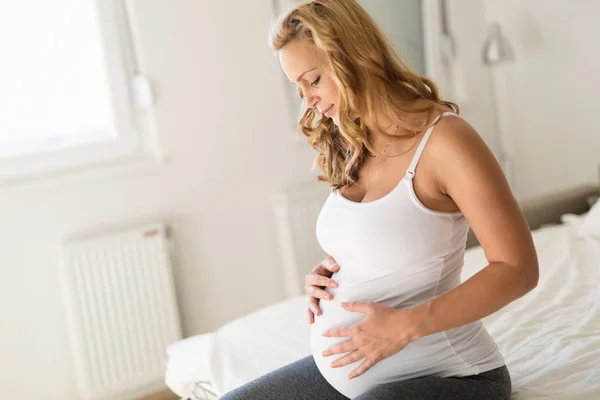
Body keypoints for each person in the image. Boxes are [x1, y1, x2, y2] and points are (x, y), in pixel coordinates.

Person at [221, 0, 538, 399]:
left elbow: (518, 268)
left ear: (351, 57)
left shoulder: (446, 141)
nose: (309, 102)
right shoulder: (352, 140)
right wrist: (332, 276)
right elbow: (385, 238)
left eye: (314, 79)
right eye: (298, 87)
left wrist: (405, 326)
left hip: (452, 376)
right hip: (346, 369)